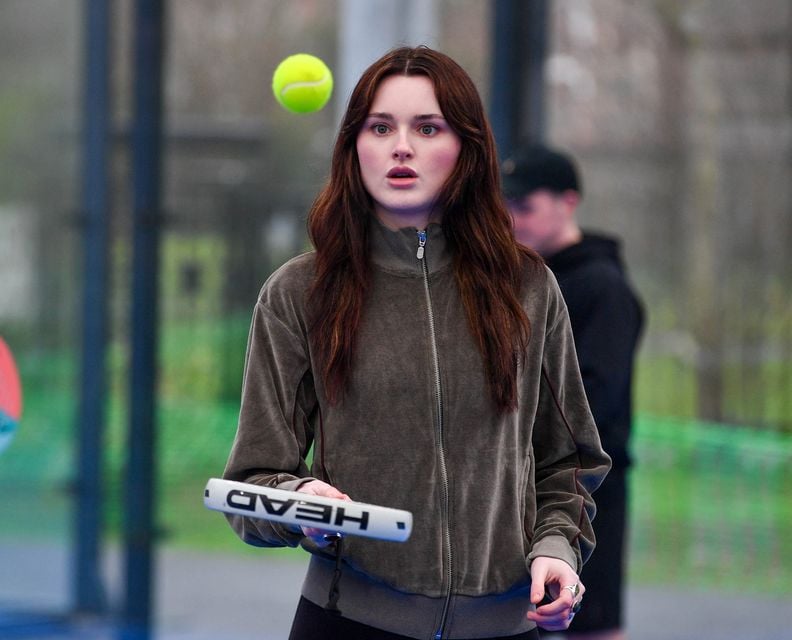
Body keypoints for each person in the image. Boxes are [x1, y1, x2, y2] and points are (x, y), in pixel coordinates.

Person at [222, 47, 611, 640]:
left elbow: (569, 460)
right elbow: (251, 482)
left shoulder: (529, 286)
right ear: (355, 147)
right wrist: (302, 504)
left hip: (506, 627)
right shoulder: (299, 292)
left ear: (467, 150)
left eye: (427, 127)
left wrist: (557, 545)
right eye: (380, 127)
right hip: (346, 622)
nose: (401, 147)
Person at [502, 145, 644, 640]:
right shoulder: (520, 281)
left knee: (591, 627)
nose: (512, 218)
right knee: (526, 622)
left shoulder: (602, 286)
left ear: (568, 201)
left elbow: (594, 398)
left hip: (588, 487)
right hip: (522, 483)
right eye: (505, 207)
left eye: (524, 205)